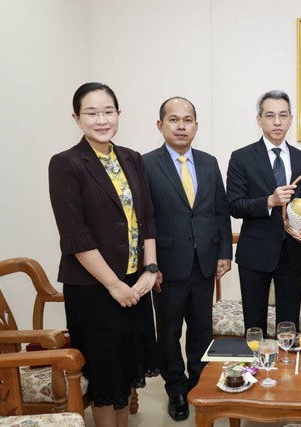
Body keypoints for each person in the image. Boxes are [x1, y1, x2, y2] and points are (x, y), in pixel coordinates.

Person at [48, 82, 159, 427]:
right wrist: (114, 285)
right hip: (95, 290)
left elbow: (147, 219)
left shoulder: (131, 158)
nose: (101, 120)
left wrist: (150, 268)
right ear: (76, 118)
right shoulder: (66, 163)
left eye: (108, 111)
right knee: (105, 378)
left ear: (118, 114)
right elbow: (75, 236)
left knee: (125, 374)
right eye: (91, 113)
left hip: (134, 284)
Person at [143, 97, 232, 421]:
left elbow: (220, 212)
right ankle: (176, 389)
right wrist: (150, 266)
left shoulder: (208, 162)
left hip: (204, 262)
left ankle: (199, 383)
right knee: (168, 332)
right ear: (160, 125)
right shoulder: (145, 164)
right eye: (173, 119)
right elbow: (144, 220)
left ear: (196, 125)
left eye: (187, 120)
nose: (181, 126)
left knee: (201, 329)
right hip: (167, 265)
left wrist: (224, 253)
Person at [226, 90, 301, 335]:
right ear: (259, 120)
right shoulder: (241, 158)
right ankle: (256, 361)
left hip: (292, 254)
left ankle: (287, 361)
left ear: (291, 119)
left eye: (283, 115)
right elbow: (234, 205)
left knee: (289, 327)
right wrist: (269, 201)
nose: (277, 122)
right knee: (254, 328)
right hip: (255, 254)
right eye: (270, 115)